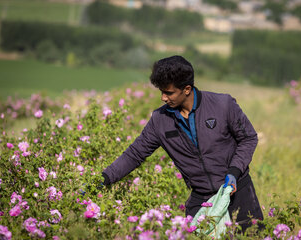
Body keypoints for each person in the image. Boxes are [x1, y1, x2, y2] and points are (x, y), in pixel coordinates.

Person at [101, 55, 263, 232]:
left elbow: (248, 138)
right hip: (201, 200)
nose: (163, 98)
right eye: (161, 92)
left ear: (186, 89)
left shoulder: (223, 105)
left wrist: (234, 171)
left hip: (238, 194)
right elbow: (134, 154)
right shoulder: (160, 120)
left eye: (168, 92)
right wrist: (103, 179)